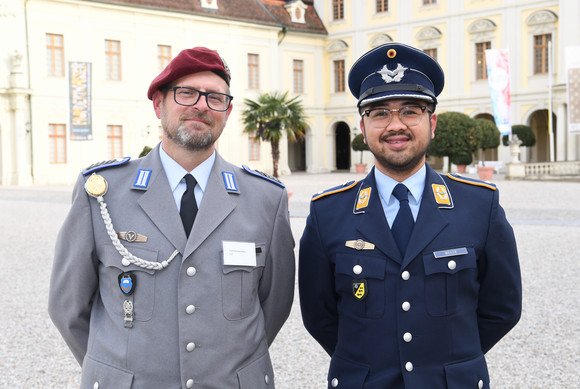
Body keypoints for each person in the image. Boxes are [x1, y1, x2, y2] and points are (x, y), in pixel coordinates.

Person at [48, 47, 295, 389]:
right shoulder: (103, 191)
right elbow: (68, 307)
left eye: (215, 97)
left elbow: (275, 305)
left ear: (228, 110)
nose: (201, 105)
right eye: (187, 93)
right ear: (158, 104)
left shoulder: (266, 199)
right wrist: (115, 368)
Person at [298, 42, 522, 389]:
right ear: (363, 126)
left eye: (410, 111)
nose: (395, 125)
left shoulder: (480, 206)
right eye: (380, 113)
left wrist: (454, 358)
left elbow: (502, 308)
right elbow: (319, 315)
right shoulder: (328, 212)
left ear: (432, 122)